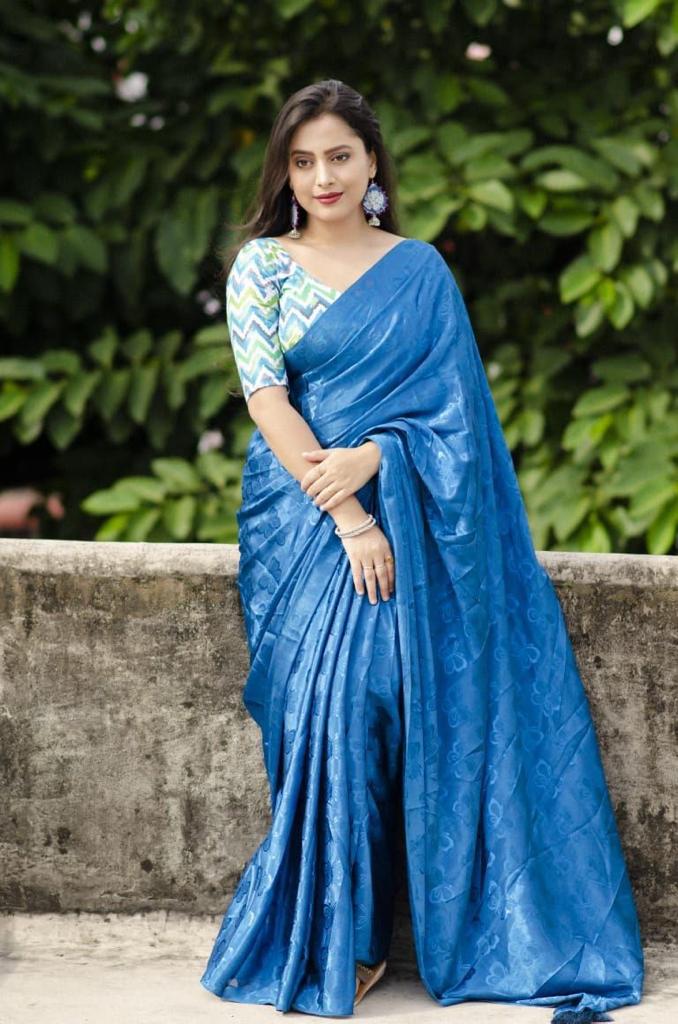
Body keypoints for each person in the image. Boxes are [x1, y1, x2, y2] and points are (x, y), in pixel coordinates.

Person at [200, 79, 644, 1022]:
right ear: (285, 172)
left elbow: (457, 422)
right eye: (303, 161)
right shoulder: (262, 268)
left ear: (372, 162)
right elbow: (267, 398)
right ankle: (340, 933)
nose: (322, 176)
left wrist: (379, 461)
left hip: (408, 515)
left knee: (377, 695)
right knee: (320, 710)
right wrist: (350, 516)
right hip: (303, 520)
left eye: (340, 156)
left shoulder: (419, 271)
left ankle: (371, 932)